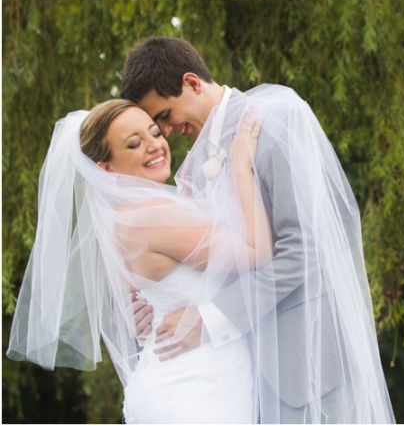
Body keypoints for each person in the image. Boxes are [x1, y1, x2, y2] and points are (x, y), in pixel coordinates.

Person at [120, 37, 395, 423]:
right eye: (155, 124)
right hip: (236, 381)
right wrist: (151, 304)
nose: (165, 131)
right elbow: (207, 262)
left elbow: (304, 249)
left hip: (305, 365)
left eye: (164, 115)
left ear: (192, 83)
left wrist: (211, 316)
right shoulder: (188, 171)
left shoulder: (275, 117)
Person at [6, 99, 271, 423]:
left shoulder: (119, 221)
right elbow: (258, 254)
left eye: (154, 133)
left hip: (169, 379)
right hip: (198, 389)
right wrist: (242, 165)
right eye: (134, 143)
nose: (155, 146)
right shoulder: (153, 217)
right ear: (106, 168)